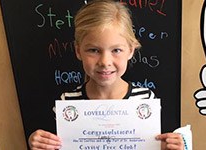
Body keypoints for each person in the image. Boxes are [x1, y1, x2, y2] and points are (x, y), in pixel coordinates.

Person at [28, 0, 184, 149]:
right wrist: (40, 144)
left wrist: (168, 147)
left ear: (130, 50)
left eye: (116, 50)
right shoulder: (67, 103)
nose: (105, 61)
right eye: (94, 50)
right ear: (78, 51)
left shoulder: (145, 99)